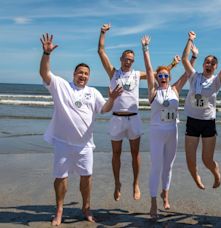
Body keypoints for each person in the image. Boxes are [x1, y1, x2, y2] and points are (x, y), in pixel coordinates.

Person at [39, 33, 123, 226]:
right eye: (80, 72)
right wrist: (46, 53)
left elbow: (104, 109)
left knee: (86, 178)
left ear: (89, 76)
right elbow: (44, 73)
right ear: (74, 74)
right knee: (61, 177)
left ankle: (86, 208)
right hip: (62, 143)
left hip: (85, 146)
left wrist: (112, 99)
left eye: (86, 73)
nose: (83, 75)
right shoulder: (61, 86)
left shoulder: (93, 92)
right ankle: (59, 210)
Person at [97, 23, 178, 201]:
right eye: (126, 58)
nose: (129, 61)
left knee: (136, 154)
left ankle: (135, 184)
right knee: (116, 154)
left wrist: (172, 64)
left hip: (134, 119)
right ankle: (117, 183)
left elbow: (155, 73)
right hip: (117, 119)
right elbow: (101, 52)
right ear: (121, 58)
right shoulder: (113, 73)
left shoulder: (135, 74)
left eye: (131, 60)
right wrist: (103, 33)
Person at [141, 35, 198, 219]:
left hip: (172, 131)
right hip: (157, 132)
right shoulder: (153, 91)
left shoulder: (174, 89)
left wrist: (193, 55)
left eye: (166, 75)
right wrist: (146, 49)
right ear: (157, 78)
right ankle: (153, 203)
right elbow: (149, 69)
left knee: (169, 166)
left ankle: (165, 193)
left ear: (169, 78)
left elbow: (188, 73)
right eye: (160, 76)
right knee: (156, 166)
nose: (163, 77)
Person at [181, 31, 221, 190]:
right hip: (192, 122)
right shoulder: (194, 76)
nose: (209, 64)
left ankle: (216, 174)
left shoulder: (216, 81)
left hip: (208, 123)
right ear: (203, 64)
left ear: (215, 67)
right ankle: (196, 178)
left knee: (206, 159)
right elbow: (184, 59)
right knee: (190, 158)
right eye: (207, 62)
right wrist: (190, 40)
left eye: (212, 63)